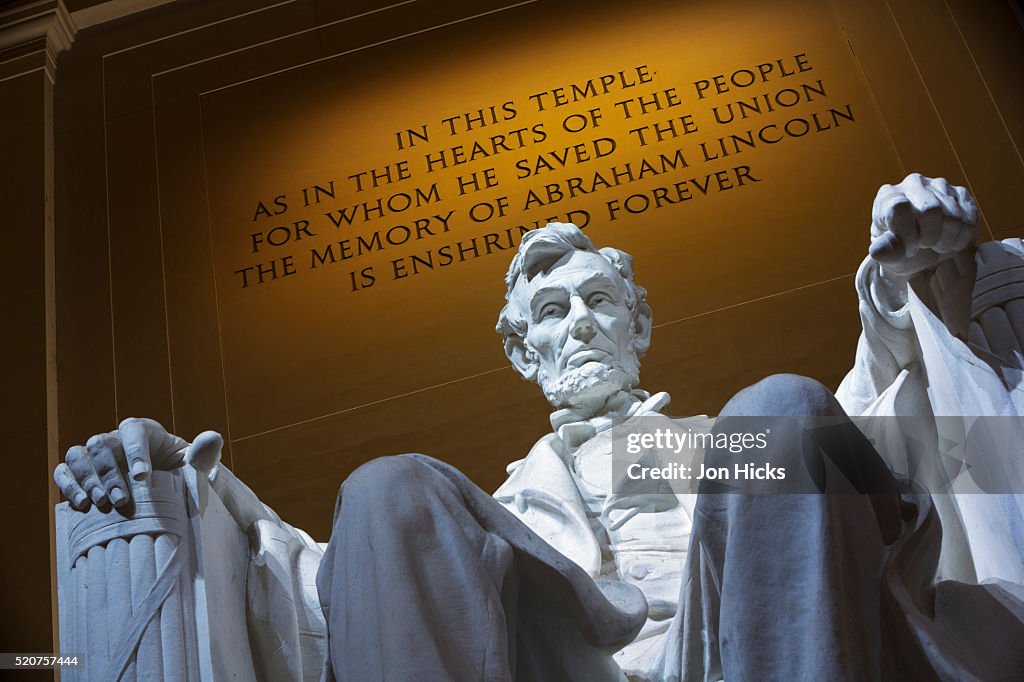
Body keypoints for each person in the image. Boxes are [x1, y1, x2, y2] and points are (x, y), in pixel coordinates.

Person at [54, 174, 1024, 680]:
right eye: (553, 313)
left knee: (775, 415)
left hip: (742, 651)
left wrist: (903, 286)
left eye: (601, 300)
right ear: (522, 352)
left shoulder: (702, 445)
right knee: (389, 486)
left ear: (638, 324)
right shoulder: (487, 515)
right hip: (550, 667)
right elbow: (302, 584)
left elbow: (926, 446)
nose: (582, 323)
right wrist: (174, 476)